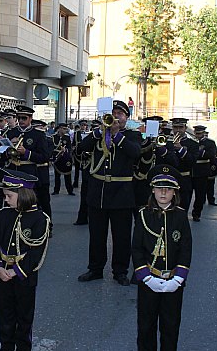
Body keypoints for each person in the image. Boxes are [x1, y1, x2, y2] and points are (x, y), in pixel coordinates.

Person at [77, 100, 141, 286]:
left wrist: (116, 135)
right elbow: (82, 148)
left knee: (121, 236)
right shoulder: (98, 134)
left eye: (120, 114)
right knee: (97, 235)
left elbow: (135, 152)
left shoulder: (132, 135)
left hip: (122, 194)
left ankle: (120, 271)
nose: (116, 117)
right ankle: (95, 269)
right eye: (113, 113)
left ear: (126, 118)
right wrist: (99, 131)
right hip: (98, 193)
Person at [0, 169, 50, 351]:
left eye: (9, 196)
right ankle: (6, 346)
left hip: (24, 276)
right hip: (2, 272)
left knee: (24, 316)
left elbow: (37, 253)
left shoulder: (39, 219)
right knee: (4, 314)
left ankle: (23, 347)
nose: (5, 199)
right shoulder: (4, 214)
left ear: (23, 195)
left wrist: (17, 271)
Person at [132, 165, 192, 351]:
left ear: (175, 192)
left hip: (173, 281)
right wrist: (146, 277)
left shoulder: (181, 216)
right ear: (153, 190)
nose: (163, 192)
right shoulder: (143, 215)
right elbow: (137, 249)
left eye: (168, 189)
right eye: (159, 188)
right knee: (145, 327)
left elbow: (186, 248)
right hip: (149, 280)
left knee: (171, 327)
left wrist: (179, 278)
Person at [170, 118, 198, 211]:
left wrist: (181, 149)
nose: (178, 130)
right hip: (169, 180)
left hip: (184, 181)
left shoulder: (193, 144)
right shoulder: (166, 142)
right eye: (175, 127)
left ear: (185, 128)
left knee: (182, 210)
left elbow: (192, 161)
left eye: (180, 127)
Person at [190, 125, 216, 221]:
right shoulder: (191, 142)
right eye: (196, 133)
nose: (198, 135)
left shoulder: (210, 143)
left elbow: (212, 154)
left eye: (200, 133)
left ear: (204, 133)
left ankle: (196, 213)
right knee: (187, 194)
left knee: (200, 195)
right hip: (191, 170)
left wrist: (201, 152)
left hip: (202, 171)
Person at [51, 123, 75, 196]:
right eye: (64, 129)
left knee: (68, 176)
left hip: (65, 158)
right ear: (60, 128)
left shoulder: (67, 138)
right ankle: (56, 190)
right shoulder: (53, 137)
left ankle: (70, 190)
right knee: (57, 176)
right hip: (57, 159)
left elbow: (70, 148)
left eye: (66, 129)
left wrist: (66, 150)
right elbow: (52, 148)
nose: (65, 130)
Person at [204, 131, 217, 206]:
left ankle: (211, 200)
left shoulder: (210, 143)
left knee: (210, 186)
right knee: (202, 188)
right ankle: (203, 200)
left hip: (211, 167)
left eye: (206, 135)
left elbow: (215, 155)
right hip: (202, 169)